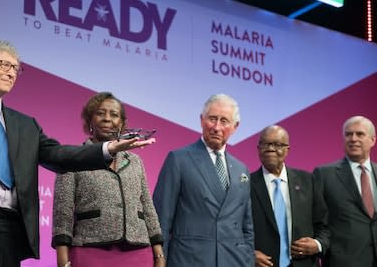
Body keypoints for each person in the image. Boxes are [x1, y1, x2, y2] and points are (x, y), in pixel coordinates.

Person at [0, 40, 155, 267]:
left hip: (9, 235)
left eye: (16, 68)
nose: (11, 72)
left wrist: (107, 149)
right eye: (5, 64)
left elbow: (59, 156)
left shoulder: (25, 124)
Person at [51, 92, 165, 267]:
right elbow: (63, 212)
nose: (107, 119)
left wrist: (158, 255)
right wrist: (63, 259)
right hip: (90, 250)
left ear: (122, 123)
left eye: (114, 114)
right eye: (100, 113)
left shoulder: (135, 161)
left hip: (138, 252)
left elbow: (148, 208)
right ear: (90, 121)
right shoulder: (73, 158)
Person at [153, 93, 254, 267]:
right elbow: (161, 218)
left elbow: (247, 226)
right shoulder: (179, 159)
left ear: (235, 127)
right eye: (212, 119)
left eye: (224, 121)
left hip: (233, 260)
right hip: (189, 259)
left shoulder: (241, 170)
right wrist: (160, 260)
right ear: (201, 120)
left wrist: (247, 259)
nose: (216, 127)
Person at [251, 125, 330, 267]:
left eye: (277, 144)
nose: (271, 148)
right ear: (258, 149)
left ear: (287, 150)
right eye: (265, 144)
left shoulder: (308, 181)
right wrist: (248, 254)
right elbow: (234, 229)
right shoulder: (245, 185)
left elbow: (324, 226)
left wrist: (318, 244)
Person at [313, 116, 377, 267]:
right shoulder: (324, 174)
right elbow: (317, 221)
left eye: (360, 134)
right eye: (348, 134)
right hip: (343, 261)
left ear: (373, 140)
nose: (353, 139)